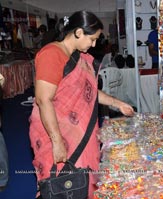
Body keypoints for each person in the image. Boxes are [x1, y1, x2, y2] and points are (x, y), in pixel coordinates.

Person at [29, 10, 134, 198]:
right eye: (92, 39)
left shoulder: (79, 57)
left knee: (81, 183)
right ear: (78, 32)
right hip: (56, 132)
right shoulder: (51, 54)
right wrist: (57, 141)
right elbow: (43, 100)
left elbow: (91, 92)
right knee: (59, 183)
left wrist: (118, 104)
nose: (93, 44)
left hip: (79, 133)